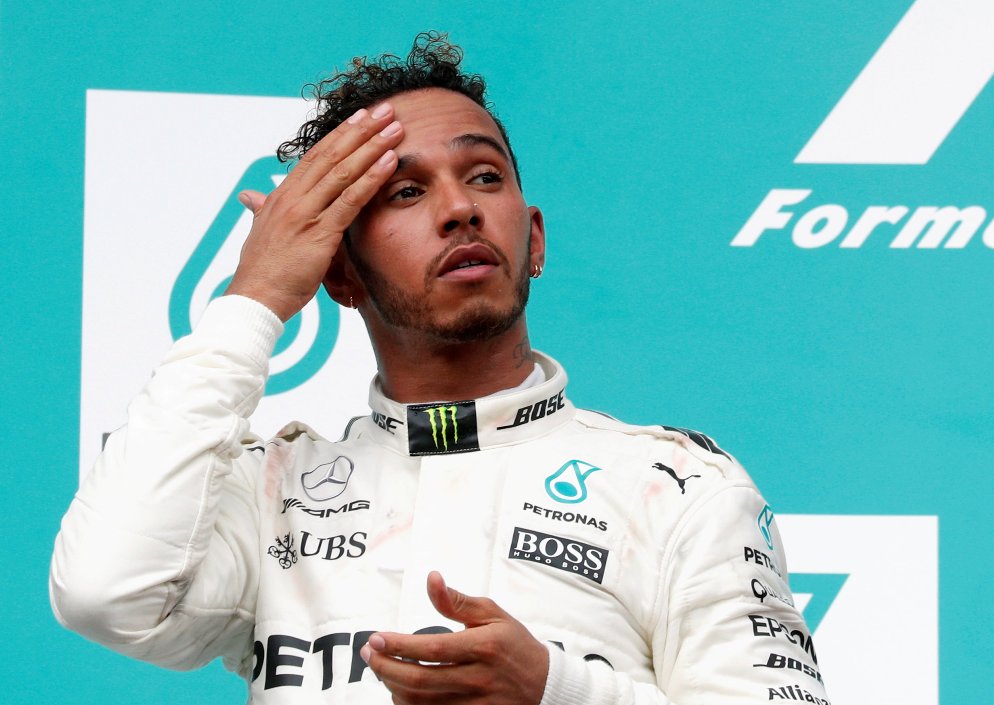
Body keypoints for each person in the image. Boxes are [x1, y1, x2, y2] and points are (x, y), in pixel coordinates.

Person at [51, 32, 830, 705]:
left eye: (484, 176)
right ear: (341, 276)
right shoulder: (271, 491)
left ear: (534, 240)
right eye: (406, 191)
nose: (459, 209)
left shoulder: (678, 488)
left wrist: (555, 689)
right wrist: (253, 300)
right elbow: (104, 594)